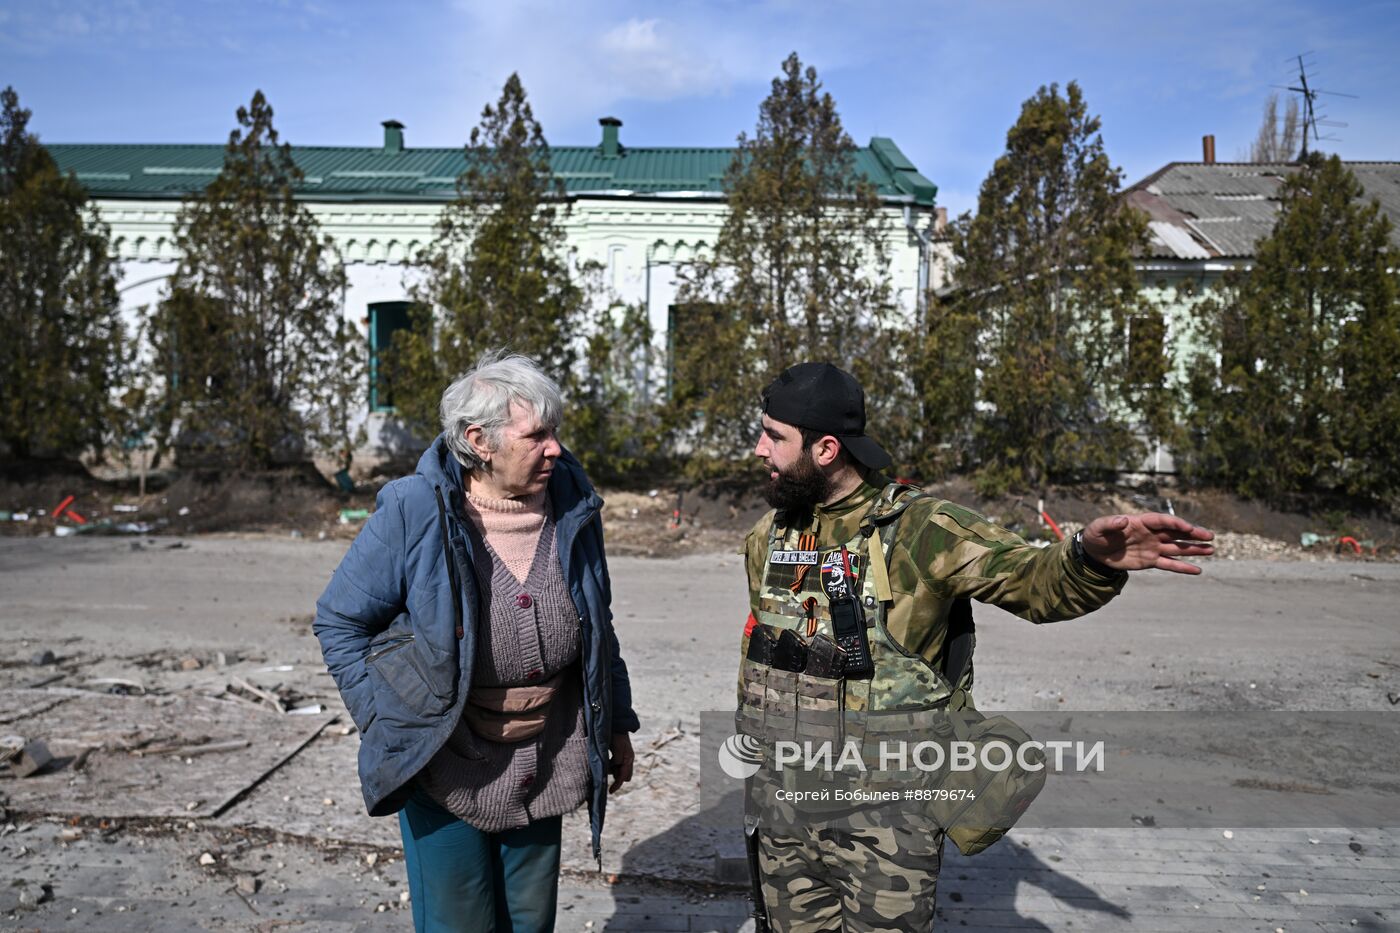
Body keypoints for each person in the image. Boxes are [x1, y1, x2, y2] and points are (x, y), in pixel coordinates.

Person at [738, 362, 1214, 933]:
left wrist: (1087, 558)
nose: (760, 448)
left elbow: (1033, 580)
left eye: (774, 436)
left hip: (885, 829)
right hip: (784, 818)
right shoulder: (771, 538)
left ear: (826, 449)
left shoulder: (924, 531)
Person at [314, 350, 639, 933]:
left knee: (529, 923)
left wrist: (616, 722)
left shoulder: (571, 502)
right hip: (444, 765)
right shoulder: (416, 508)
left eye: (554, 433)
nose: (555, 449)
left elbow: (598, 621)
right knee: (458, 923)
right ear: (478, 441)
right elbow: (340, 622)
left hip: (545, 760)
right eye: (536, 435)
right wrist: (386, 720)